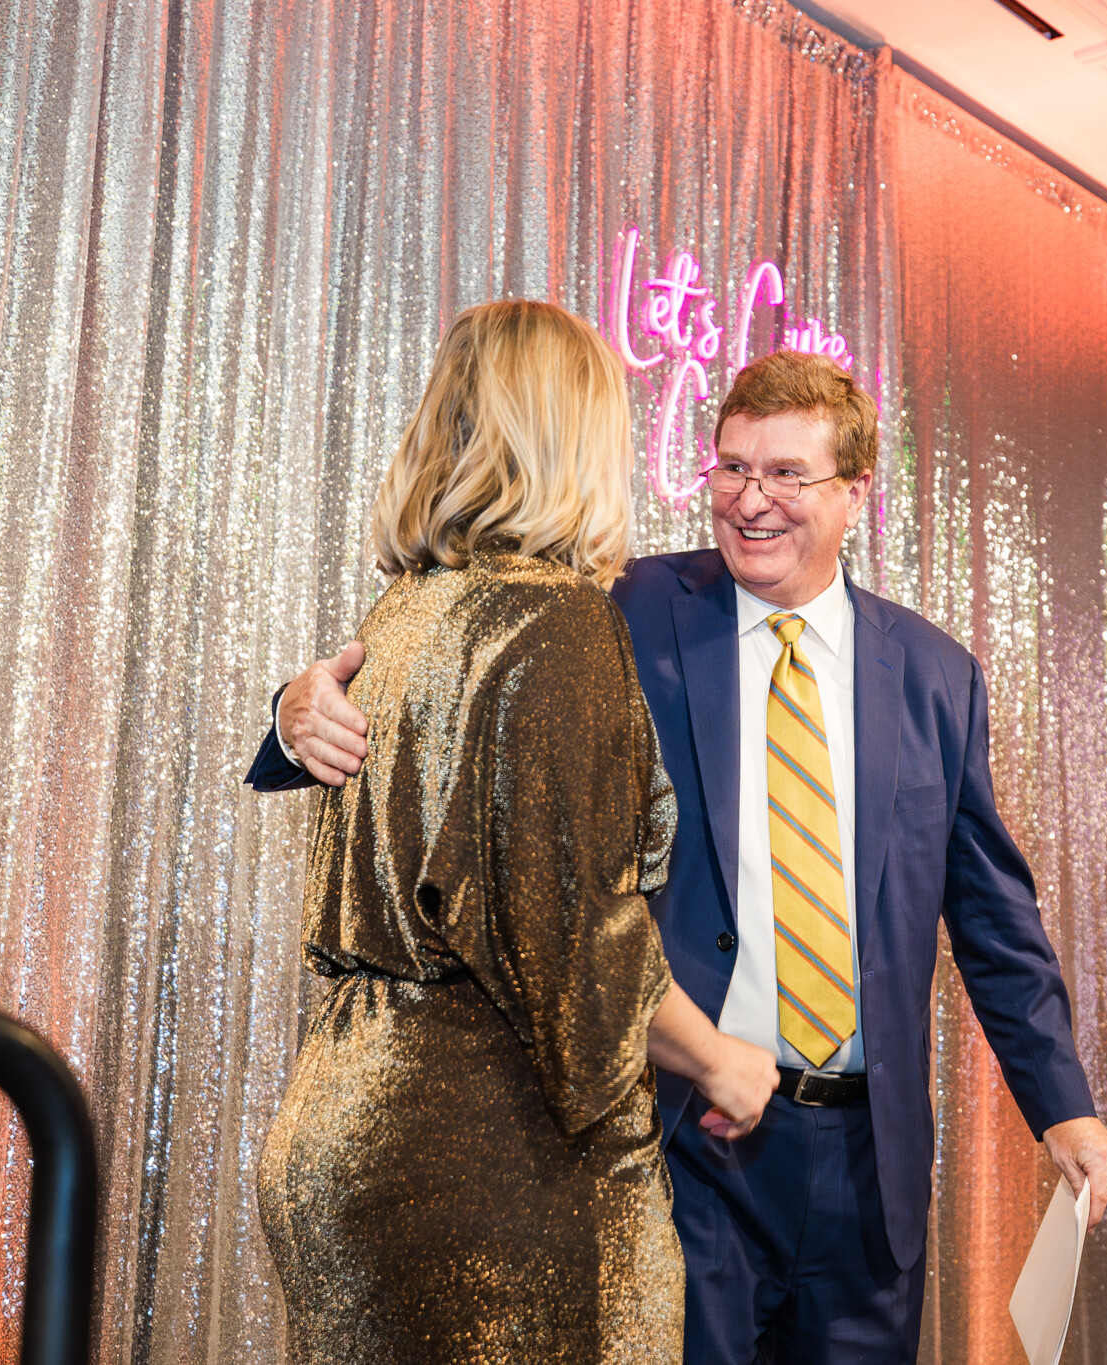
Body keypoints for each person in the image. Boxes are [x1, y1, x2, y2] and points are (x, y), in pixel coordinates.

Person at [253, 350, 1107, 1363]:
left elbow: (994, 920)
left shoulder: (936, 675)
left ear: (855, 493)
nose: (751, 501)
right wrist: (295, 710)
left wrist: (1063, 1108)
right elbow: (442, 669)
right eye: (732, 468)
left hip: (866, 1170)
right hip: (689, 1142)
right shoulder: (617, 607)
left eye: (786, 474)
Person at [254, 299, 779, 1365]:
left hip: (345, 1122)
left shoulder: (406, 610)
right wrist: (720, 1062)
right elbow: (574, 945)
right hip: (484, 1159)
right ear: (570, 434)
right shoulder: (554, 622)